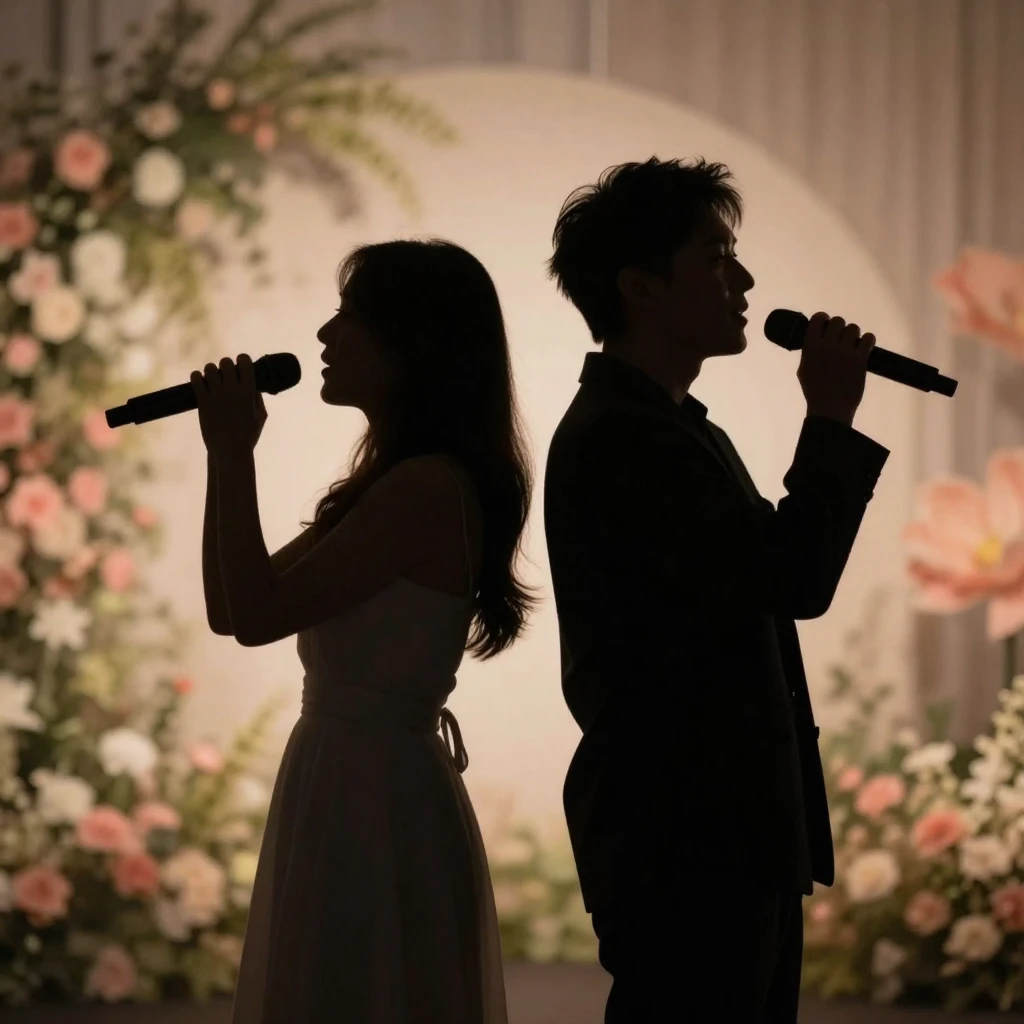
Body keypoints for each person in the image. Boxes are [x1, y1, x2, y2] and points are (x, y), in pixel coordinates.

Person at [542, 157, 891, 1022]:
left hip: (719, 829)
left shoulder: (672, 428)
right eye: (715, 258)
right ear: (640, 288)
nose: (743, 282)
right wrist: (829, 419)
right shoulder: (627, 438)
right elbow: (793, 576)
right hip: (687, 835)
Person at [190, 238, 538, 1023]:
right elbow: (231, 607)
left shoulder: (425, 488)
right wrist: (224, 458)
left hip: (374, 795)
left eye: (349, 316)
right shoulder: (389, 483)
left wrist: (235, 454)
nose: (325, 334)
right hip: (347, 777)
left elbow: (255, 616)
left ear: (410, 344)